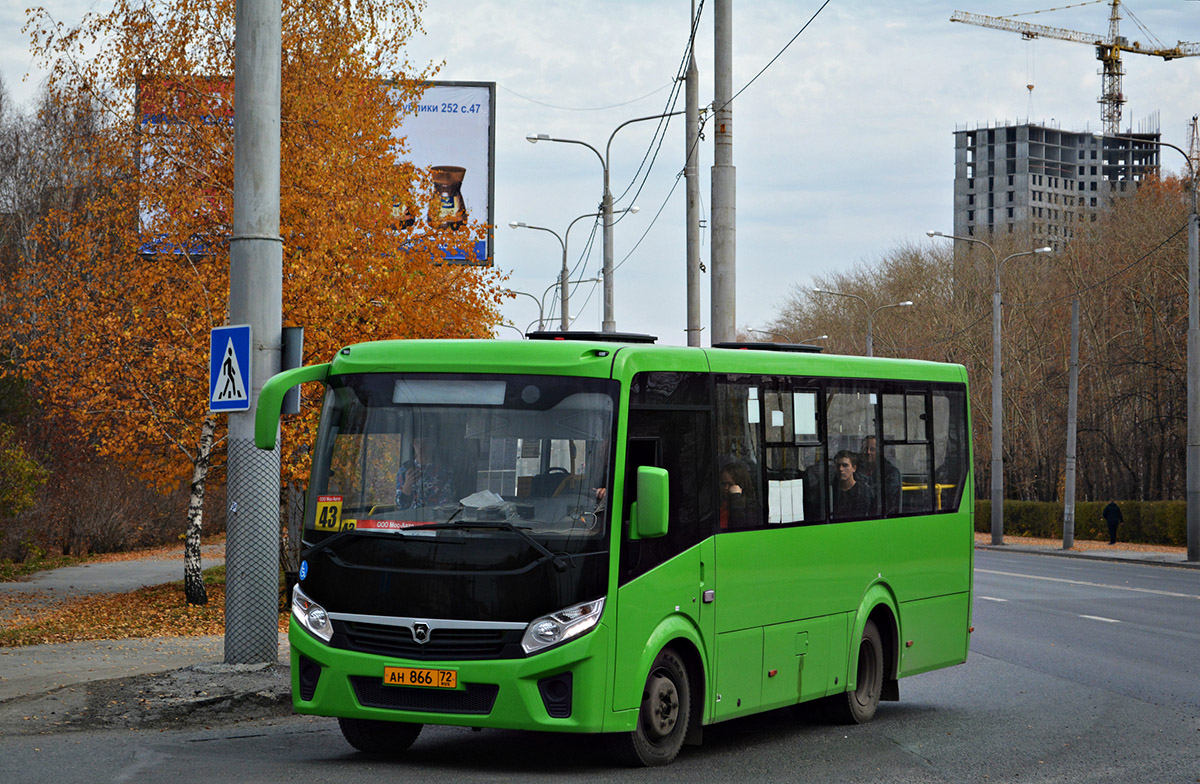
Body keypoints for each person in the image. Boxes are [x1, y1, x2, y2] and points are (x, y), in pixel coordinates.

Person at [395, 437, 454, 510]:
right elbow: (401, 506)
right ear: (413, 444)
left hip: (437, 519)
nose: (421, 447)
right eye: (417, 442)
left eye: (426, 442)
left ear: (433, 444)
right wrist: (408, 484)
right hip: (411, 519)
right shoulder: (405, 471)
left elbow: (447, 502)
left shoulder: (444, 471)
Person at [857, 435, 901, 515]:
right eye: (865, 449)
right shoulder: (856, 469)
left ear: (879, 451)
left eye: (872, 449)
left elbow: (887, 499)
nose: (868, 452)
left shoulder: (891, 472)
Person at [832, 449, 875, 519]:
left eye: (845, 465)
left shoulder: (864, 491)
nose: (840, 469)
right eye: (838, 466)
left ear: (854, 468)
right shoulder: (832, 491)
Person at [720, 462, 761, 529]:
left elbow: (740, 526)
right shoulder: (721, 503)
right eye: (723, 484)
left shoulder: (751, 506)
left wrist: (736, 497)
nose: (726, 488)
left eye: (730, 484)